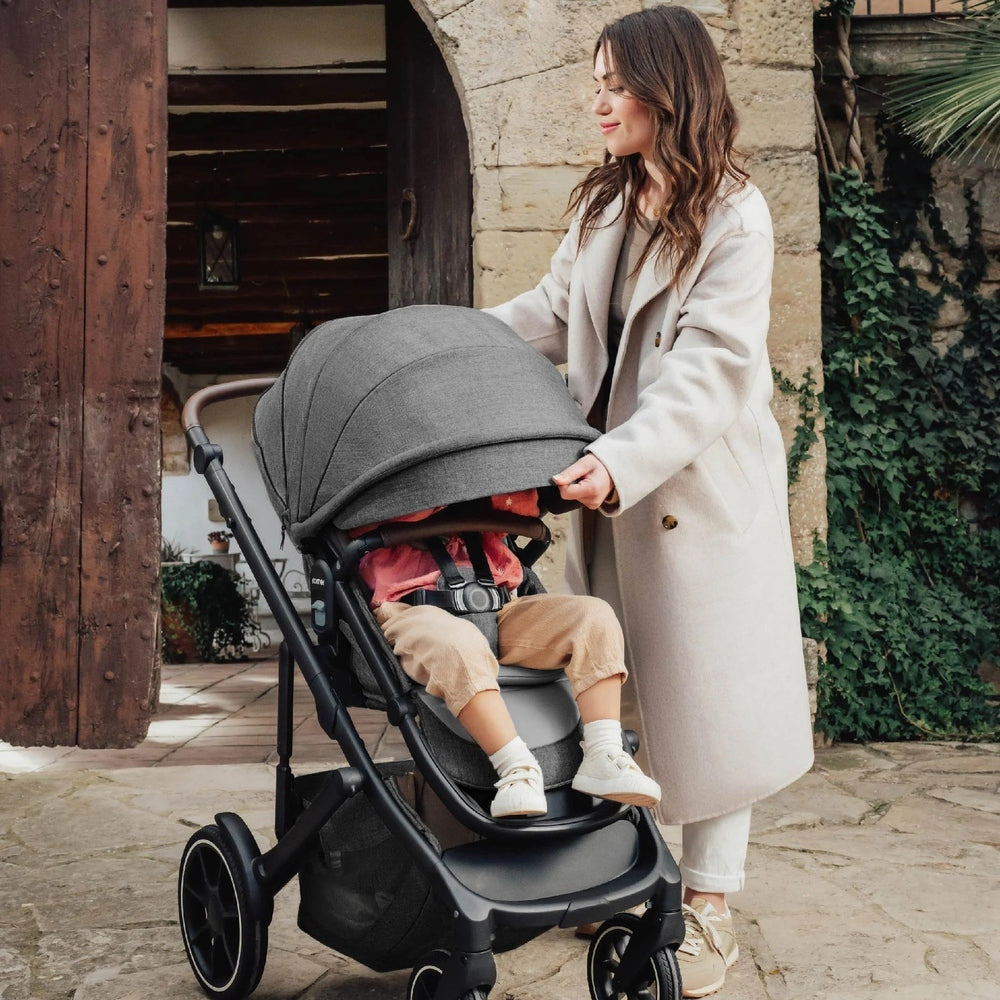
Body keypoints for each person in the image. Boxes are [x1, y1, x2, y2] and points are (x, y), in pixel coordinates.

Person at [484, 6, 815, 997]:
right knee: (610, 692)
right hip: (607, 490)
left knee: (711, 705)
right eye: (593, 80)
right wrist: (438, 345)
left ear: (670, 88)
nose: (598, 99)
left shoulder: (734, 214)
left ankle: (708, 908)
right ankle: (616, 873)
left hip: (691, 491)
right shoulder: (601, 204)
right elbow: (544, 314)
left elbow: (713, 367)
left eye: (615, 82)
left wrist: (624, 459)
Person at [355, 488, 661, 819]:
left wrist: (487, 479)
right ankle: (516, 768)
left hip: (499, 603)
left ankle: (604, 752)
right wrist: (448, 483)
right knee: (458, 644)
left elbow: (523, 507)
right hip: (412, 606)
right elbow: (385, 507)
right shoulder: (379, 478)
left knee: (593, 616)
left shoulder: (486, 482)